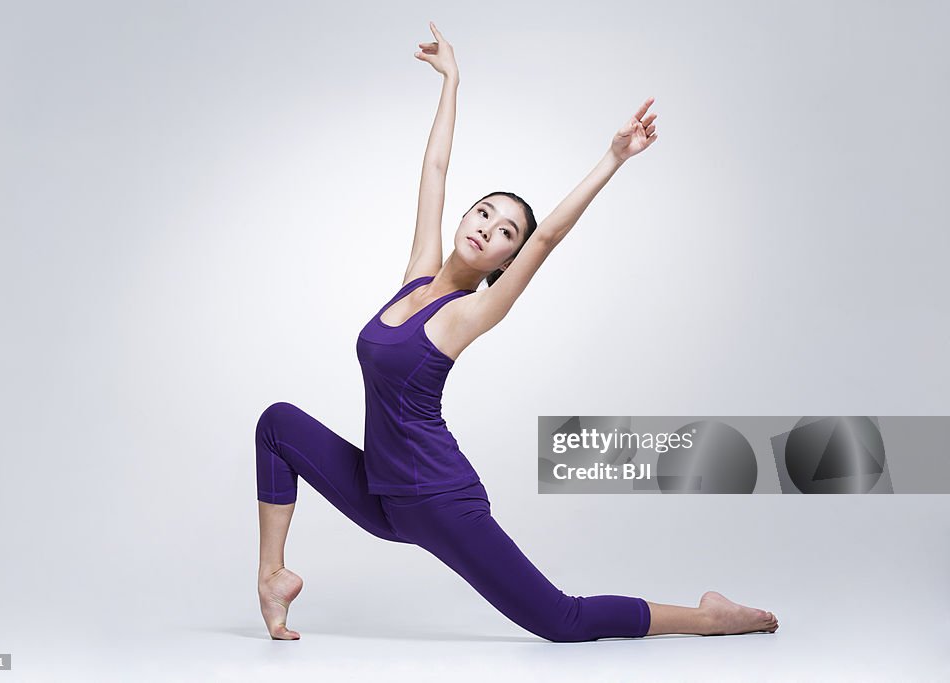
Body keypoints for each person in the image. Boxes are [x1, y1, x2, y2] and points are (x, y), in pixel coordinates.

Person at [256, 21, 779, 642]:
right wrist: (451, 80)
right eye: (484, 213)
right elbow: (435, 170)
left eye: (505, 231)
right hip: (381, 496)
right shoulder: (417, 275)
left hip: (438, 500)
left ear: (506, 259)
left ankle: (706, 617)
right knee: (278, 423)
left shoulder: (468, 314)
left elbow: (550, 235)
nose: (487, 227)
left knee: (562, 621)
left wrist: (613, 157)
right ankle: (271, 577)